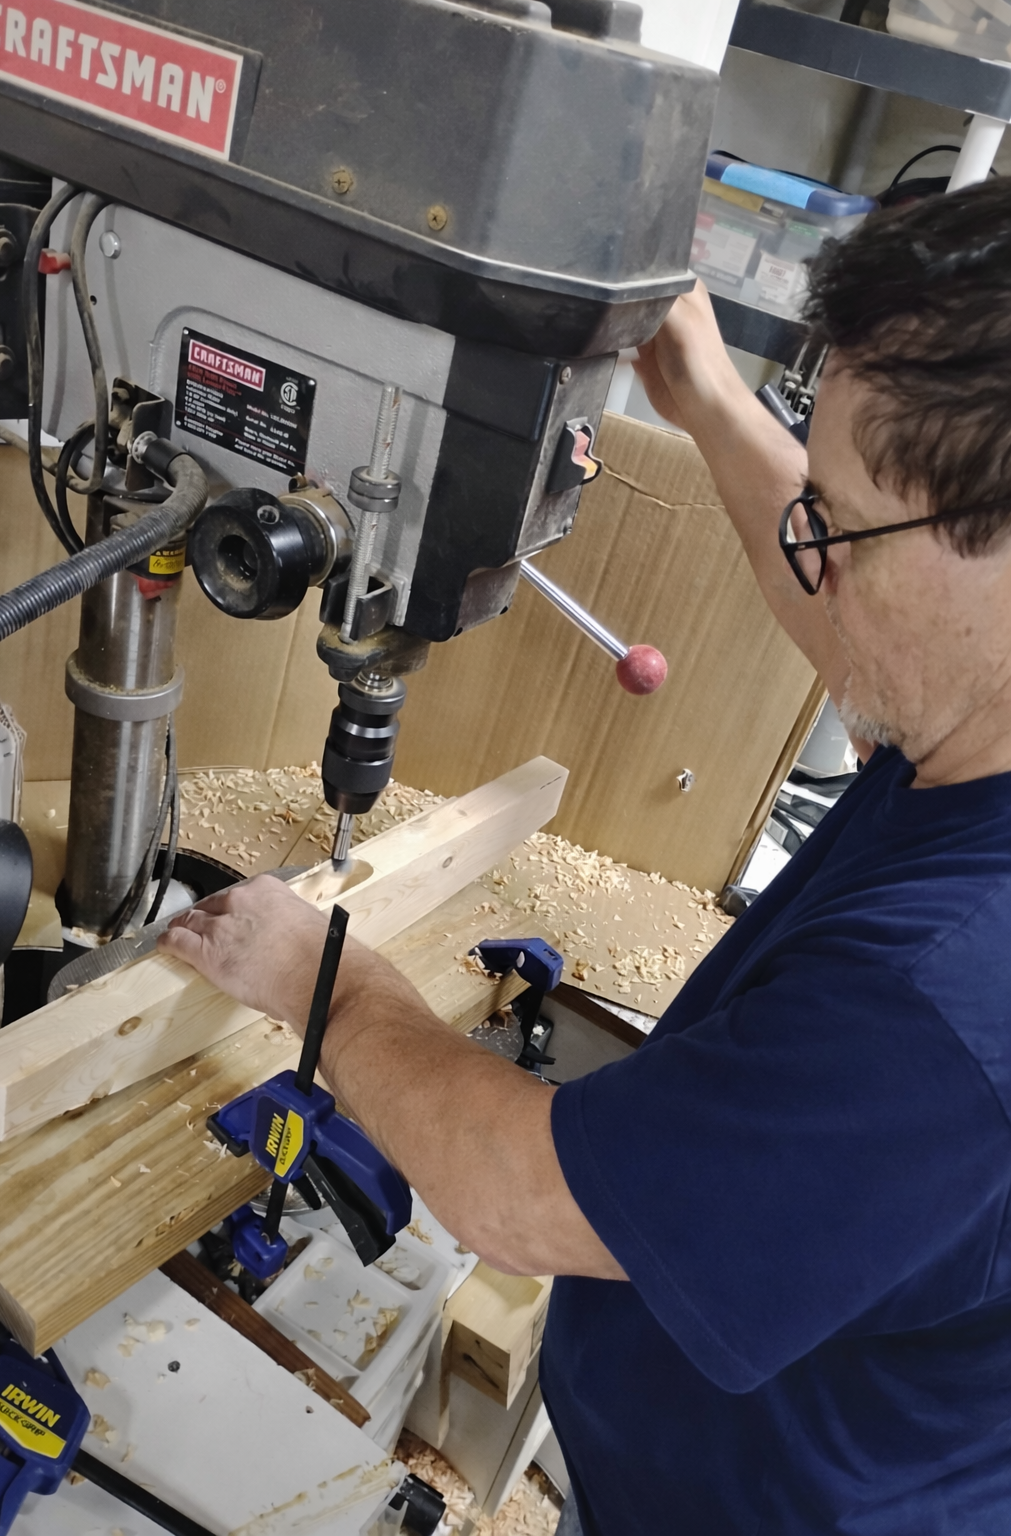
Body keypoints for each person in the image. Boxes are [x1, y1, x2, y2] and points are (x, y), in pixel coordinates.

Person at [160, 178, 1011, 1535]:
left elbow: (521, 1198)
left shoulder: (952, 1009)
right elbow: (872, 616)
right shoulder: (980, 709)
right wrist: (712, 404)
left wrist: (330, 983)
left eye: (838, 523)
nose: (816, 562)